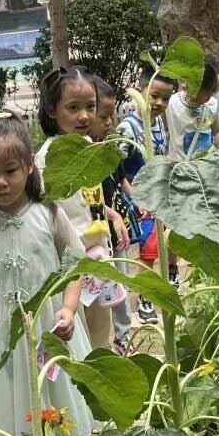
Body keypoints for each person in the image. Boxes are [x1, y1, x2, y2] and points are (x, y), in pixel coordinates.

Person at [0, 113, 93, 436]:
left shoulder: (49, 214)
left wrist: (70, 308)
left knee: (56, 388)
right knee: (11, 393)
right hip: (1, 336)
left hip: (49, 328)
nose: (1, 182)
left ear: (29, 167)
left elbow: (75, 267)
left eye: (10, 171)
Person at [34, 67, 125, 350]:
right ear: (52, 110)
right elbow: (47, 212)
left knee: (100, 337)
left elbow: (88, 199)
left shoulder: (90, 146)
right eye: (73, 108)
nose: (84, 116)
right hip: (71, 269)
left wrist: (110, 213)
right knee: (77, 341)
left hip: (98, 261)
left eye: (90, 107)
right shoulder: (47, 157)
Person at [116, 69, 176, 323]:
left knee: (169, 241)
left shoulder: (159, 123)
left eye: (166, 98)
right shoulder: (127, 128)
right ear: (141, 92)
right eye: (154, 96)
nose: (159, 103)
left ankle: (171, 280)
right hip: (141, 199)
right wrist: (136, 197)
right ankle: (146, 298)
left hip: (161, 192)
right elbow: (117, 171)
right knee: (148, 250)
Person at [92, 79, 135, 354]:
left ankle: (124, 338)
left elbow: (121, 181)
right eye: (103, 116)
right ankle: (112, 340)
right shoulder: (84, 154)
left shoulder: (110, 147)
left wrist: (135, 200)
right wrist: (113, 216)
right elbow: (89, 199)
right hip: (100, 230)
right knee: (107, 287)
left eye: (112, 115)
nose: (109, 122)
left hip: (120, 228)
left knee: (123, 282)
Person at [166, 59, 219, 160]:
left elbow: (217, 132)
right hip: (178, 165)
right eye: (195, 99)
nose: (202, 103)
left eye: (206, 98)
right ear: (184, 87)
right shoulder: (172, 102)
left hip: (205, 165)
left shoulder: (211, 104)